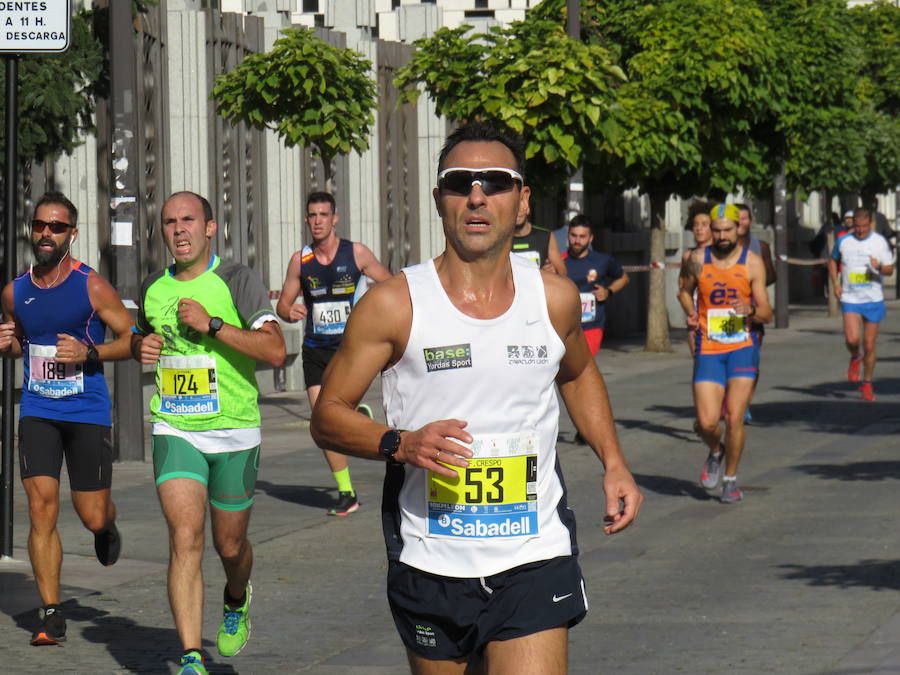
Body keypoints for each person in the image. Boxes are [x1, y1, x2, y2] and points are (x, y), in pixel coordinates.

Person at [310, 122, 642, 674]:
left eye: (496, 182)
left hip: (533, 554)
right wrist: (401, 443)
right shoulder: (395, 304)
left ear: (523, 200)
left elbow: (578, 374)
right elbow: (328, 415)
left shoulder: (553, 298)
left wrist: (614, 462)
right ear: (440, 199)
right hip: (431, 555)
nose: (478, 196)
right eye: (461, 182)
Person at [132, 192, 286, 675]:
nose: (179, 230)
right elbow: (140, 335)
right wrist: (143, 345)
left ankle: (236, 597)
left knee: (230, 547)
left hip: (235, 432)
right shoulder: (153, 287)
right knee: (184, 536)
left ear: (210, 228)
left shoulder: (237, 280)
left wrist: (213, 324)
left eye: (189, 221)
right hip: (176, 425)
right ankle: (191, 656)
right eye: (170, 223)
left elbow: (276, 351)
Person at [0, 192, 132, 646]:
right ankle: (50, 612)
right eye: (39, 225)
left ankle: (107, 525)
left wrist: (90, 350)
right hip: (38, 408)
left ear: (72, 235)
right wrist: (7, 343)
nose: (45, 234)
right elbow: (21, 343)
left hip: (86, 410)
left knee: (90, 513)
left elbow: (132, 341)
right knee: (40, 508)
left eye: (56, 227)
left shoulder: (91, 285)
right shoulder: (15, 291)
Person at [276, 191, 392, 516]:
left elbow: (391, 286)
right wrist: (290, 311)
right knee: (322, 423)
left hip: (349, 349)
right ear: (306, 220)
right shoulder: (301, 260)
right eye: (312, 216)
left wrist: (372, 312)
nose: (317, 221)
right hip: (315, 351)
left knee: (335, 413)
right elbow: (284, 303)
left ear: (334, 219)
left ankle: (355, 416)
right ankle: (346, 492)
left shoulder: (355, 253)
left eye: (323, 215)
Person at [678, 203, 773, 503]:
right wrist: (690, 311)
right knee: (707, 422)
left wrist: (752, 310)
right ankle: (716, 451)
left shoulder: (752, 262)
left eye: (726, 230)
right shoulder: (696, 259)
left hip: (742, 347)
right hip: (709, 346)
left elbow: (768, 312)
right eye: (716, 230)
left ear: (738, 229)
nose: (721, 236)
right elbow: (682, 290)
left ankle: (730, 478)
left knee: (734, 417)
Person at [827, 208, 895, 401]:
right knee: (852, 339)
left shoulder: (879, 242)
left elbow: (889, 270)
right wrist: (836, 283)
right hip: (850, 298)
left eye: (865, 227)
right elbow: (832, 261)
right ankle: (855, 356)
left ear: (870, 224)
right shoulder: (844, 241)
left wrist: (879, 267)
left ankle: (867, 383)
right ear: (852, 224)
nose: (861, 231)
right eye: (857, 226)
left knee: (870, 345)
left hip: (873, 299)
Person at [563, 214, 629, 356]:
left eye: (582, 237)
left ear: (590, 238)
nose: (577, 241)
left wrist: (608, 291)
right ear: (568, 236)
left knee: (585, 365)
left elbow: (623, 278)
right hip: (565, 326)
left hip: (591, 325)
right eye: (573, 236)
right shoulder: (559, 261)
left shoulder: (602, 260)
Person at [735, 204, 776, 424]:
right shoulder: (718, 247)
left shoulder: (759, 246)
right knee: (725, 355)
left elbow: (771, 275)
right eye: (737, 218)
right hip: (727, 313)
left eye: (744, 218)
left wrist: (753, 282)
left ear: (750, 221)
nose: (741, 223)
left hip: (753, 311)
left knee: (751, 362)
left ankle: (745, 403)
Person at [680, 207, 713, 358]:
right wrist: (691, 313)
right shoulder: (688, 256)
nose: (699, 229)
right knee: (699, 363)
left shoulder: (724, 255)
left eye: (704, 224)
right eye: (695, 224)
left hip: (720, 315)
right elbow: (682, 289)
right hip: (697, 319)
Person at [512, 208, 566, 275]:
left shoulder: (545, 236)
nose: (517, 213)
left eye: (519, 209)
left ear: (528, 209)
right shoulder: (501, 239)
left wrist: (553, 271)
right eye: (513, 208)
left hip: (540, 284)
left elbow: (562, 272)